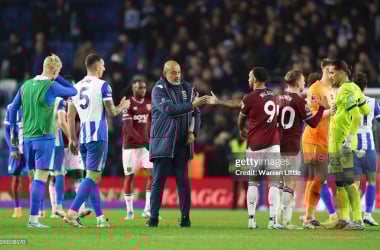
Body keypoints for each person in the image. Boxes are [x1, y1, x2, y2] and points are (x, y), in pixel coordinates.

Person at [9, 54, 77, 228]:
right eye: (58, 70)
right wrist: (58, 77)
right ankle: (33, 220)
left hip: (27, 140)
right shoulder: (52, 86)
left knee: (34, 178)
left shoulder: (25, 86)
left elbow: (13, 108)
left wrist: (13, 135)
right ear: (54, 70)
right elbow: (73, 91)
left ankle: (35, 217)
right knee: (40, 178)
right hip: (44, 139)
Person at [64, 54, 130, 228]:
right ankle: (72, 212)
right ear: (96, 66)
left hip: (83, 136)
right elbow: (112, 112)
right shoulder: (103, 86)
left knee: (92, 177)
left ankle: (100, 218)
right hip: (98, 135)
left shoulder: (75, 87)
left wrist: (72, 137)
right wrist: (122, 106)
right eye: (102, 65)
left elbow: (70, 115)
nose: (104, 68)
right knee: (92, 176)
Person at [146, 60, 208, 227]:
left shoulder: (187, 87)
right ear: (165, 73)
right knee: (159, 181)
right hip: (164, 142)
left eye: (179, 72)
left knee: (183, 181)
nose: (177, 75)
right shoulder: (159, 89)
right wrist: (192, 104)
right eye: (173, 72)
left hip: (182, 143)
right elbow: (169, 110)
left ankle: (185, 218)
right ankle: (153, 217)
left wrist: (192, 132)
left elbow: (196, 113)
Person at [279, 70, 329, 229]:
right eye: (302, 81)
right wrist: (321, 108)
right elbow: (313, 122)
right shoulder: (299, 101)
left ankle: (274, 220)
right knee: (290, 183)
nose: (304, 84)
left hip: (275, 144)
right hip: (291, 145)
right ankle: (286, 221)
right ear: (296, 82)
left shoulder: (277, 98)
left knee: (278, 182)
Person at [238, 67, 284, 230]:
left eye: (250, 77)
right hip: (273, 144)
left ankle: (251, 220)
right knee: (274, 184)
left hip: (255, 145)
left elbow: (241, 118)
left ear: (256, 80)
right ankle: (273, 221)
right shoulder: (273, 95)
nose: (248, 80)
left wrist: (241, 129)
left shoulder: (249, 97)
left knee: (253, 183)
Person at [328, 60, 370, 230]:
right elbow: (365, 111)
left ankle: (358, 219)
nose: (330, 76)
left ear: (341, 72)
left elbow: (358, 116)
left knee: (346, 181)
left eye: (332, 72)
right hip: (338, 142)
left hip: (342, 143)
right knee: (339, 181)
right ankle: (344, 218)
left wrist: (348, 137)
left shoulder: (345, 89)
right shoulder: (355, 88)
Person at [301, 58, 338, 228]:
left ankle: (309, 216)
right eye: (329, 71)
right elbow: (312, 116)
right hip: (313, 138)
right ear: (322, 68)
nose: (332, 74)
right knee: (319, 177)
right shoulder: (315, 88)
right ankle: (309, 216)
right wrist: (329, 111)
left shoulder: (331, 90)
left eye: (334, 72)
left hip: (324, 138)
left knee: (315, 178)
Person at [122, 77, 152, 220]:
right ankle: (129, 211)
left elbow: (150, 122)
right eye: (139, 88)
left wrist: (151, 139)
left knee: (152, 174)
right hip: (130, 147)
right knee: (129, 177)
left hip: (145, 147)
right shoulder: (127, 103)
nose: (142, 90)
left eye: (144, 88)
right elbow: (129, 128)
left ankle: (147, 209)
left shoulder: (148, 103)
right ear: (133, 89)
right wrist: (144, 141)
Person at [351, 72, 378, 226]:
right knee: (371, 181)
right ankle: (368, 213)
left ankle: (356, 218)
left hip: (353, 147)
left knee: (354, 184)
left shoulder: (348, 102)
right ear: (365, 87)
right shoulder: (373, 102)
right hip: (369, 148)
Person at [4, 104, 31, 218]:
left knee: (34, 177)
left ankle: (38, 208)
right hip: (17, 148)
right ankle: (17, 208)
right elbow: (6, 130)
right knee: (16, 177)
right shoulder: (11, 107)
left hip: (30, 146)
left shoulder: (32, 104)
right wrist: (12, 148)